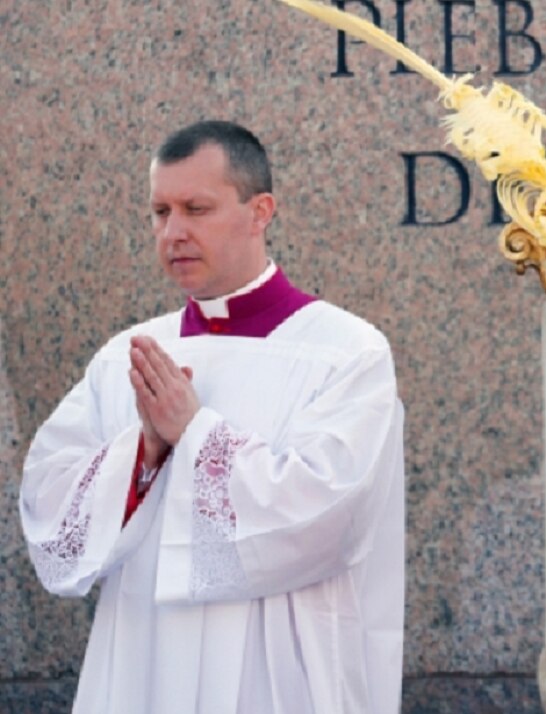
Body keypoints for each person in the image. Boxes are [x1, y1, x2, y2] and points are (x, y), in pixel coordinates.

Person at [20, 120, 405, 714]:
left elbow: (330, 509)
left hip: (276, 667)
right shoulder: (128, 356)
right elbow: (49, 503)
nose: (173, 232)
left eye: (196, 208)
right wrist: (142, 455)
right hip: (145, 656)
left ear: (260, 212)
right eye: (159, 212)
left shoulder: (346, 353)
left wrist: (195, 435)